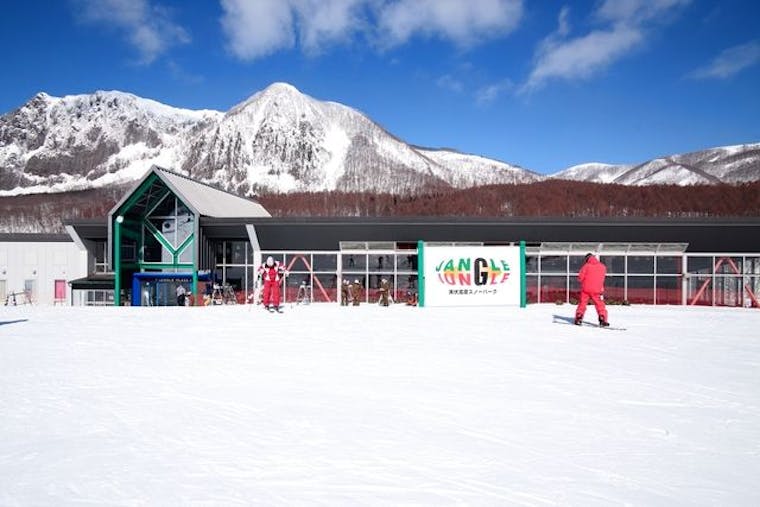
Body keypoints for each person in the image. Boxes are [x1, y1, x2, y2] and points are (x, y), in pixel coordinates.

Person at [575, 253, 609, 327]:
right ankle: (602, 317)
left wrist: (581, 280)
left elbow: (580, 277)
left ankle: (579, 316)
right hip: (597, 289)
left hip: (586, 289)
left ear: (587, 259)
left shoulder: (586, 266)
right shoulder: (602, 267)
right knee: (599, 305)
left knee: (582, 303)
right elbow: (602, 278)